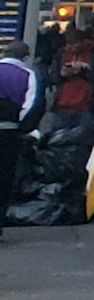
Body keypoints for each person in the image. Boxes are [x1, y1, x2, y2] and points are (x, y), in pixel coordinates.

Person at [0, 40, 37, 226]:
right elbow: (31, 106)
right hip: (8, 132)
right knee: (4, 176)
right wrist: (22, 127)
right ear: (25, 56)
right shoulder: (28, 75)